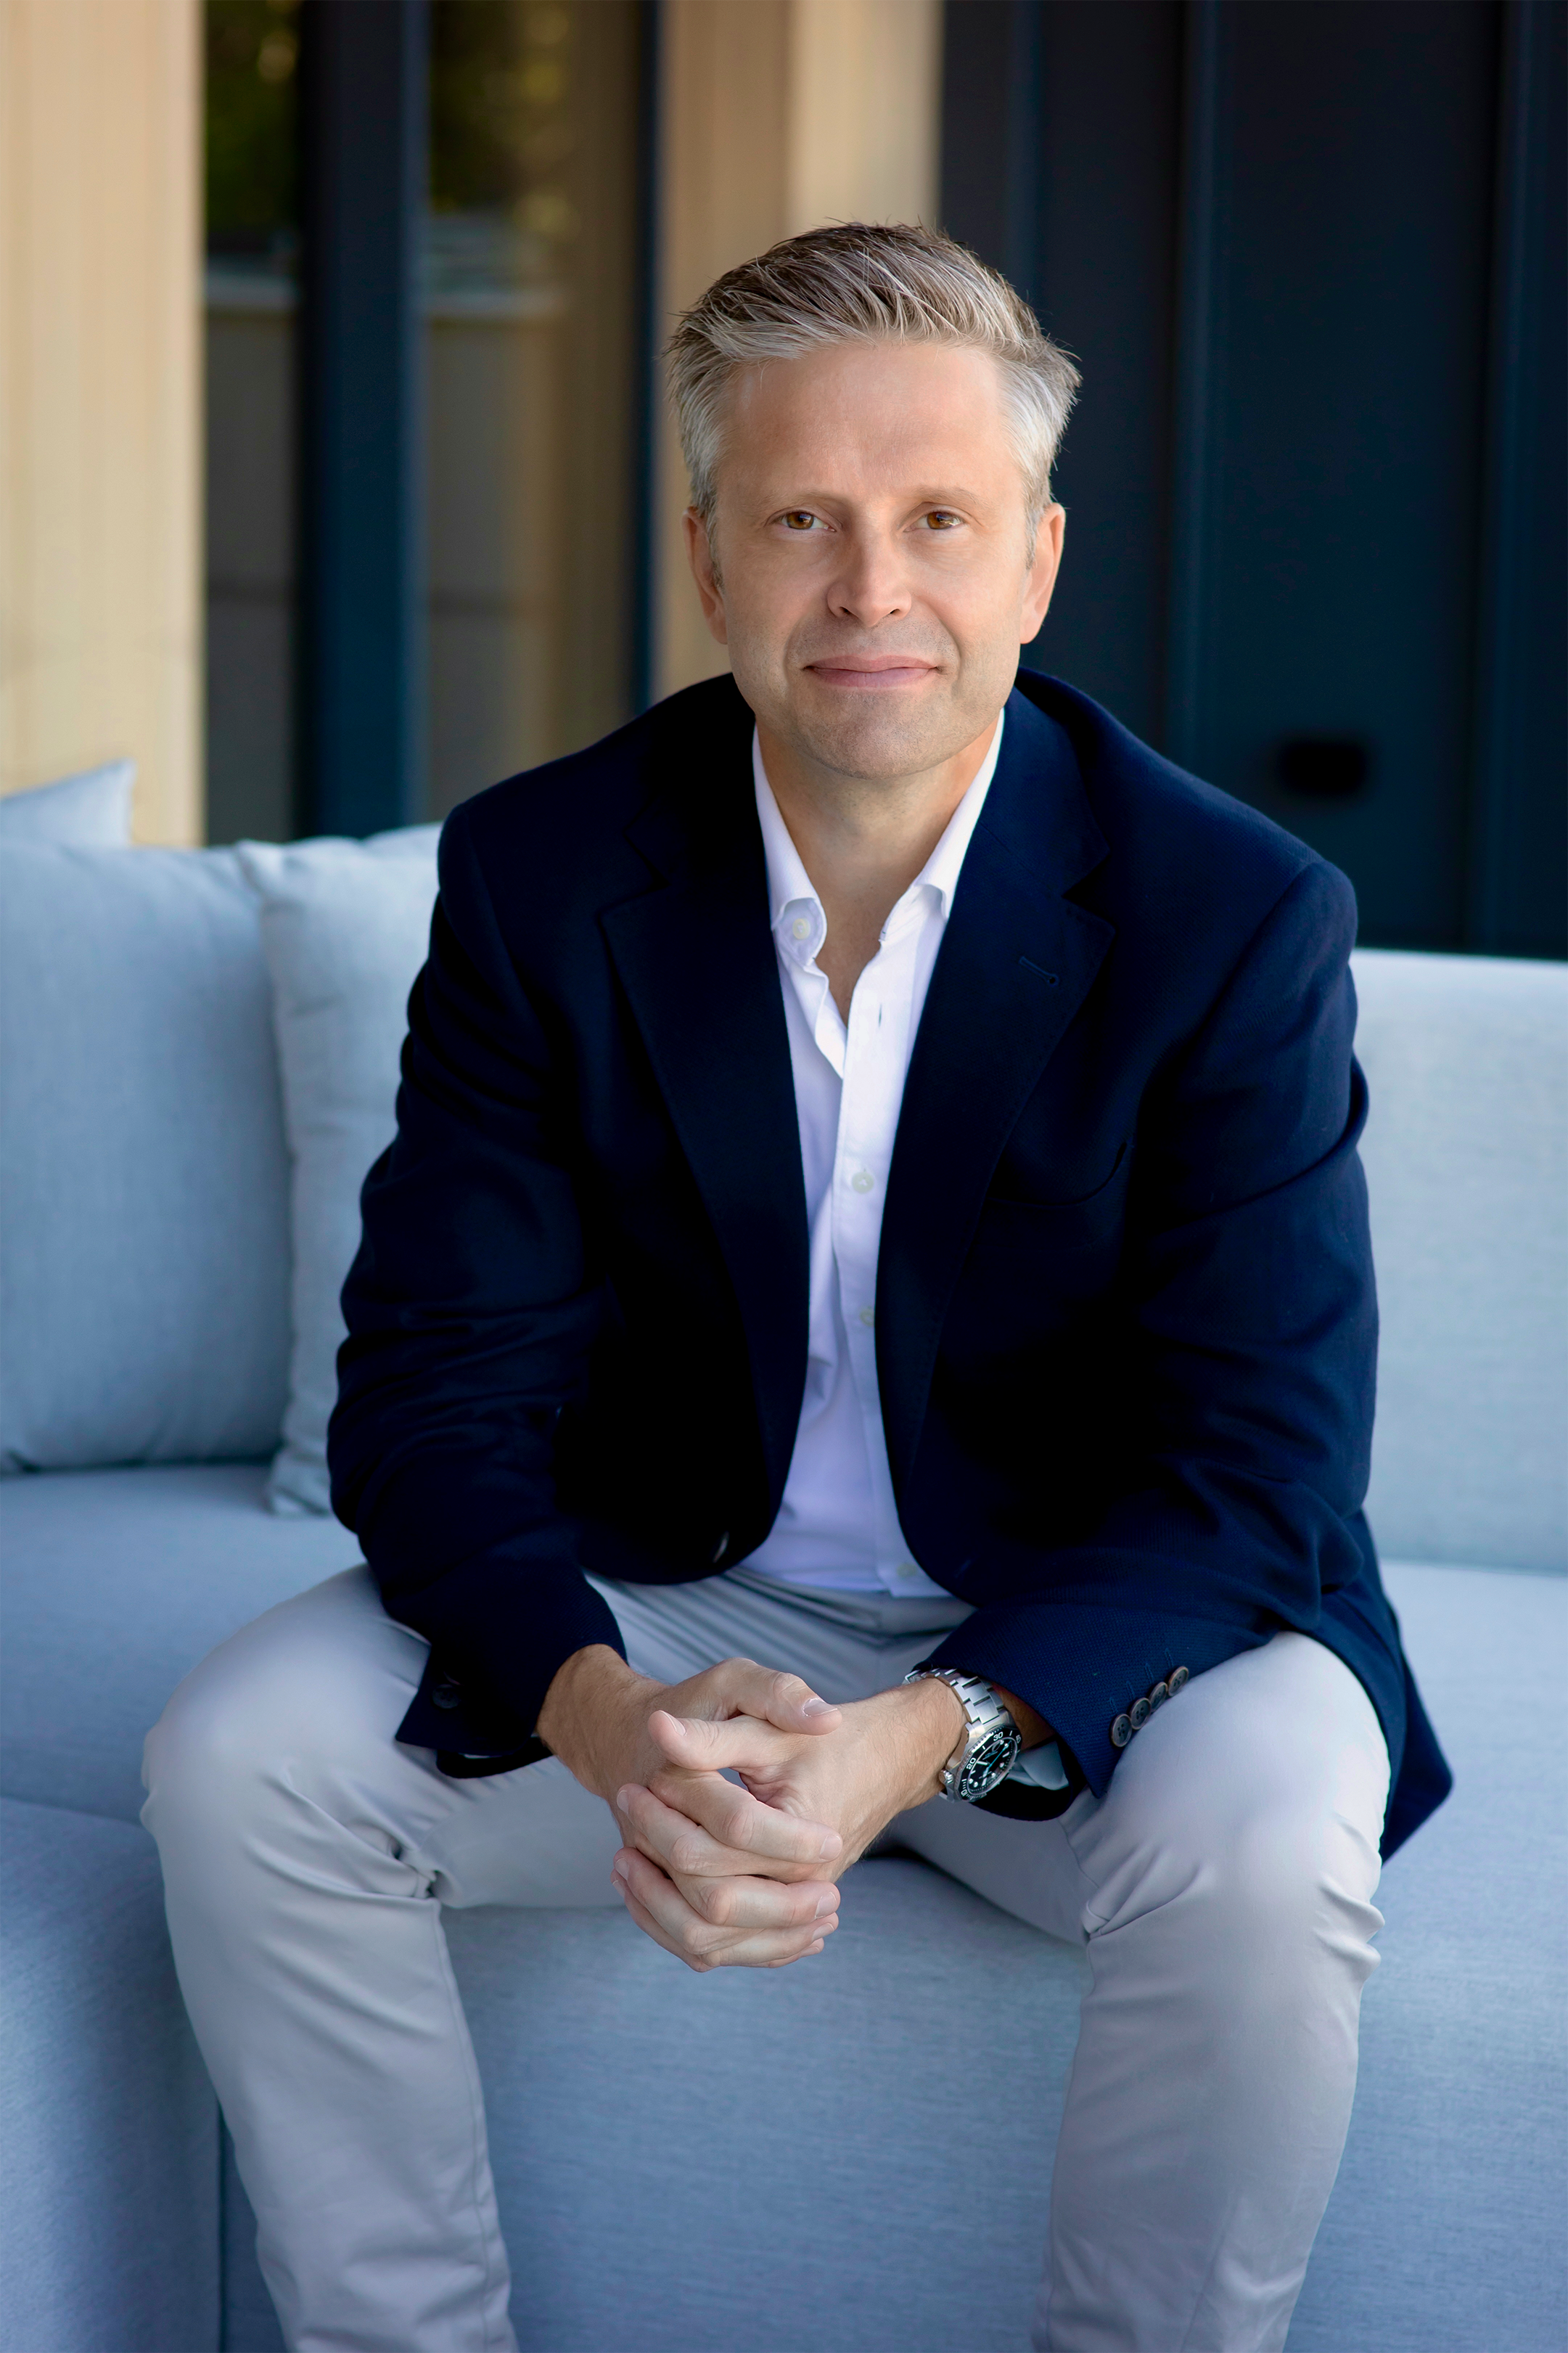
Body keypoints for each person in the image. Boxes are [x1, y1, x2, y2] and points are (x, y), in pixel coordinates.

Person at [144, 223, 1450, 2353]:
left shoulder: (1233, 913)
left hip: (1095, 1644)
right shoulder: (544, 874)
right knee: (238, 1763)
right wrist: (606, 1712)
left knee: (1280, 1827)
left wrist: (919, 1743)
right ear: (707, 559)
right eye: (802, 522)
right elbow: (433, 1399)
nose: (871, 593)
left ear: (1034, 558)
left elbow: (1260, 1472)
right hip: (685, 1613)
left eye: (937, 521)